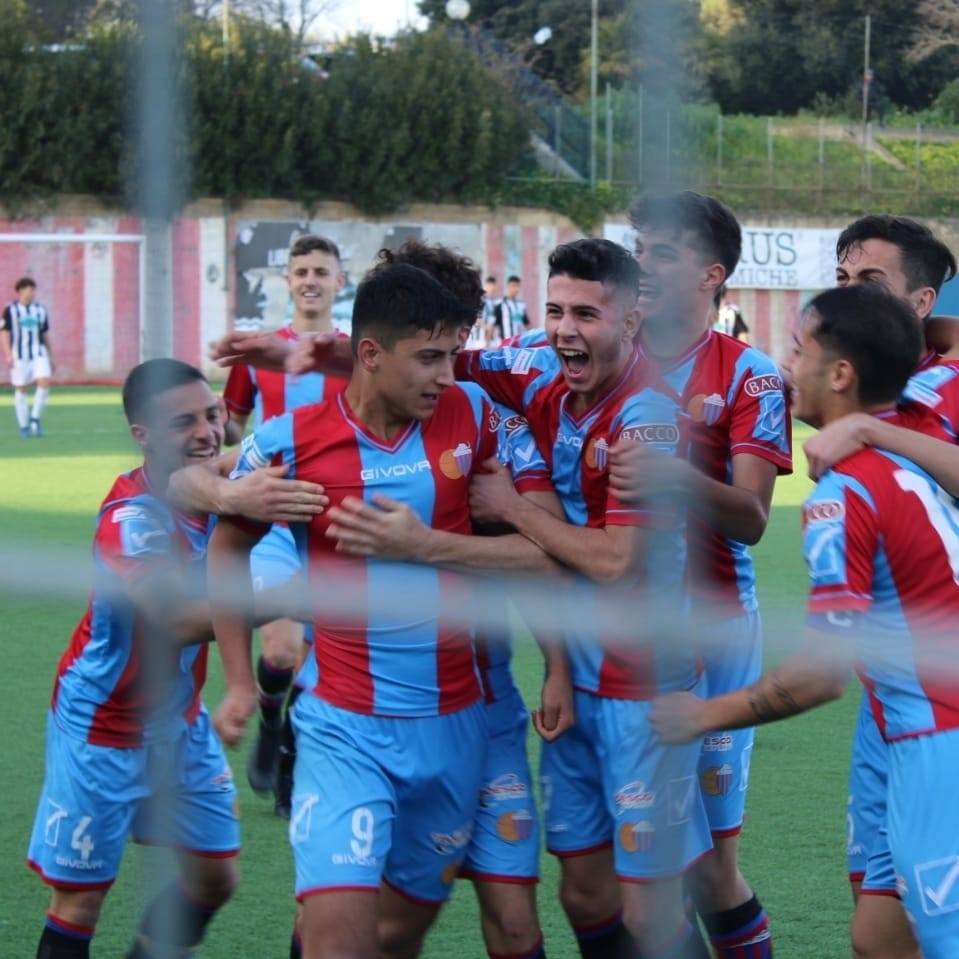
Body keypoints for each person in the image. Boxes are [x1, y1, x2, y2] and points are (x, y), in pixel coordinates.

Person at [207, 263, 556, 959]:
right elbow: (225, 547)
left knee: (395, 937)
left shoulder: (479, 419)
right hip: (343, 729)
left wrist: (426, 546)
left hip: (456, 731)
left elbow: (548, 552)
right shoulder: (291, 441)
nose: (444, 374)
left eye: (451, 356)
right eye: (428, 357)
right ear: (370, 354)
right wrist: (241, 679)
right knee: (340, 937)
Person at [653, 283, 959, 959]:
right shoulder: (912, 437)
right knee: (879, 935)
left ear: (841, 373)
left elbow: (820, 676)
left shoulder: (840, 498)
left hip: (940, 738)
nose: (785, 366)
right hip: (904, 732)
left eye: (797, 350)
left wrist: (699, 715)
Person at [450, 239, 712, 959]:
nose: (564, 329)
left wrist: (513, 508)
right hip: (579, 679)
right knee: (584, 892)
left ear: (630, 321)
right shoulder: (541, 374)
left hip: (643, 686)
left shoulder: (650, 418)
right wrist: (313, 355)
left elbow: (616, 559)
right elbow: (440, 354)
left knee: (646, 905)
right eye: (555, 310)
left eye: (586, 314)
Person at [609, 192, 789, 959]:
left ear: (710, 275)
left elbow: (750, 516)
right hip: (614, 640)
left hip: (715, 638)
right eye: (637, 245)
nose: (640, 264)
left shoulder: (748, 375)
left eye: (663, 252)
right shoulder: (602, 350)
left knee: (713, 868)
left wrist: (670, 471)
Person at [25, 359, 239, 959]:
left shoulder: (223, 486)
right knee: (80, 902)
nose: (206, 432)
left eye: (212, 414)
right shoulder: (131, 520)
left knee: (215, 879)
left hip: (181, 719)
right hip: (105, 726)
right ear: (142, 434)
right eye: (183, 423)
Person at [796, 214, 959, 958]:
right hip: (892, 693)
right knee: (873, 921)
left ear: (921, 300)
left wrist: (872, 432)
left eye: (870, 281)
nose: (848, 294)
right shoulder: (847, 381)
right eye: (841, 278)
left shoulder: (947, 389)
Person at [221, 233, 347, 805]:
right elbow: (231, 426)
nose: (311, 280)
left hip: (338, 527)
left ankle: (294, 737)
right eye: (301, 271)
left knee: (325, 665)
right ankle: (273, 724)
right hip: (274, 522)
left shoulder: (358, 356)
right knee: (279, 650)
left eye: (322, 271)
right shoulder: (261, 353)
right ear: (288, 281)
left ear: (340, 282)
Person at [2, 276, 53, 437]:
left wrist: (50, 356)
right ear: (20, 291)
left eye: (33, 290)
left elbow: (45, 334)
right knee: (21, 388)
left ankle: (35, 418)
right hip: (20, 355)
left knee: (44, 381)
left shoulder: (40, 310)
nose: (32, 293)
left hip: (39, 352)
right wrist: (8, 354)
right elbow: (4, 332)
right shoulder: (10, 310)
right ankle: (24, 425)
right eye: (29, 289)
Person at [493, 275, 529, 342]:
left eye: (518, 286)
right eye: (514, 286)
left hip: (520, 344)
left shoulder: (521, 305)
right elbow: (492, 325)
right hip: (505, 344)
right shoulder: (500, 304)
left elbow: (527, 323)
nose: (516, 289)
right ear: (508, 286)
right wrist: (487, 343)